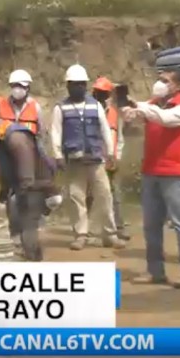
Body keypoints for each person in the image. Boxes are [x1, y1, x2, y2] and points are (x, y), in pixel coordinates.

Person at [122, 69, 180, 288]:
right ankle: (155, 271)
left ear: (178, 86)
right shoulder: (155, 103)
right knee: (151, 224)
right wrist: (128, 109)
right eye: (160, 79)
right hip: (151, 169)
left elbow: (164, 119)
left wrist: (140, 106)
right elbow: (138, 116)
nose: (160, 83)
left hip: (175, 171)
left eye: (165, 81)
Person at [50, 64, 125, 251]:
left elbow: (105, 129)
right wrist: (57, 155)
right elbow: (55, 132)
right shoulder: (61, 108)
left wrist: (111, 152)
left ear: (85, 85)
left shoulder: (95, 106)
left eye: (81, 84)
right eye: (74, 84)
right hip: (74, 160)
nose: (78, 87)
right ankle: (81, 235)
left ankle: (110, 234)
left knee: (105, 196)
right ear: (68, 86)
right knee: (76, 198)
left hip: (96, 159)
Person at [0, 108, 58, 261]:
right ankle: (26, 256)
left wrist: (22, 194)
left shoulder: (16, 139)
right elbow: (8, 168)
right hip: (23, 187)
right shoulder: (3, 140)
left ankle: (31, 259)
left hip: (35, 187)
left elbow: (27, 175)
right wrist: (5, 191)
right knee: (17, 225)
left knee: (27, 225)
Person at [0, 69, 46, 242]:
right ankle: (14, 233)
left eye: (21, 86)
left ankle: (29, 231)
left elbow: (41, 134)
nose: (17, 89)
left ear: (28, 88)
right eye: (14, 85)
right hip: (6, 156)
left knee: (27, 192)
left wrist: (42, 158)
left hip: (29, 158)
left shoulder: (35, 107)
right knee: (10, 194)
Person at [87, 77, 130, 241]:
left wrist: (116, 156)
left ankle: (119, 227)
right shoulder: (88, 109)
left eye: (103, 92)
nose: (99, 95)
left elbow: (119, 137)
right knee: (89, 194)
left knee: (114, 194)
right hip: (93, 158)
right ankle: (85, 228)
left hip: (110, 159)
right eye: (97, 91)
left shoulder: (114, 113)